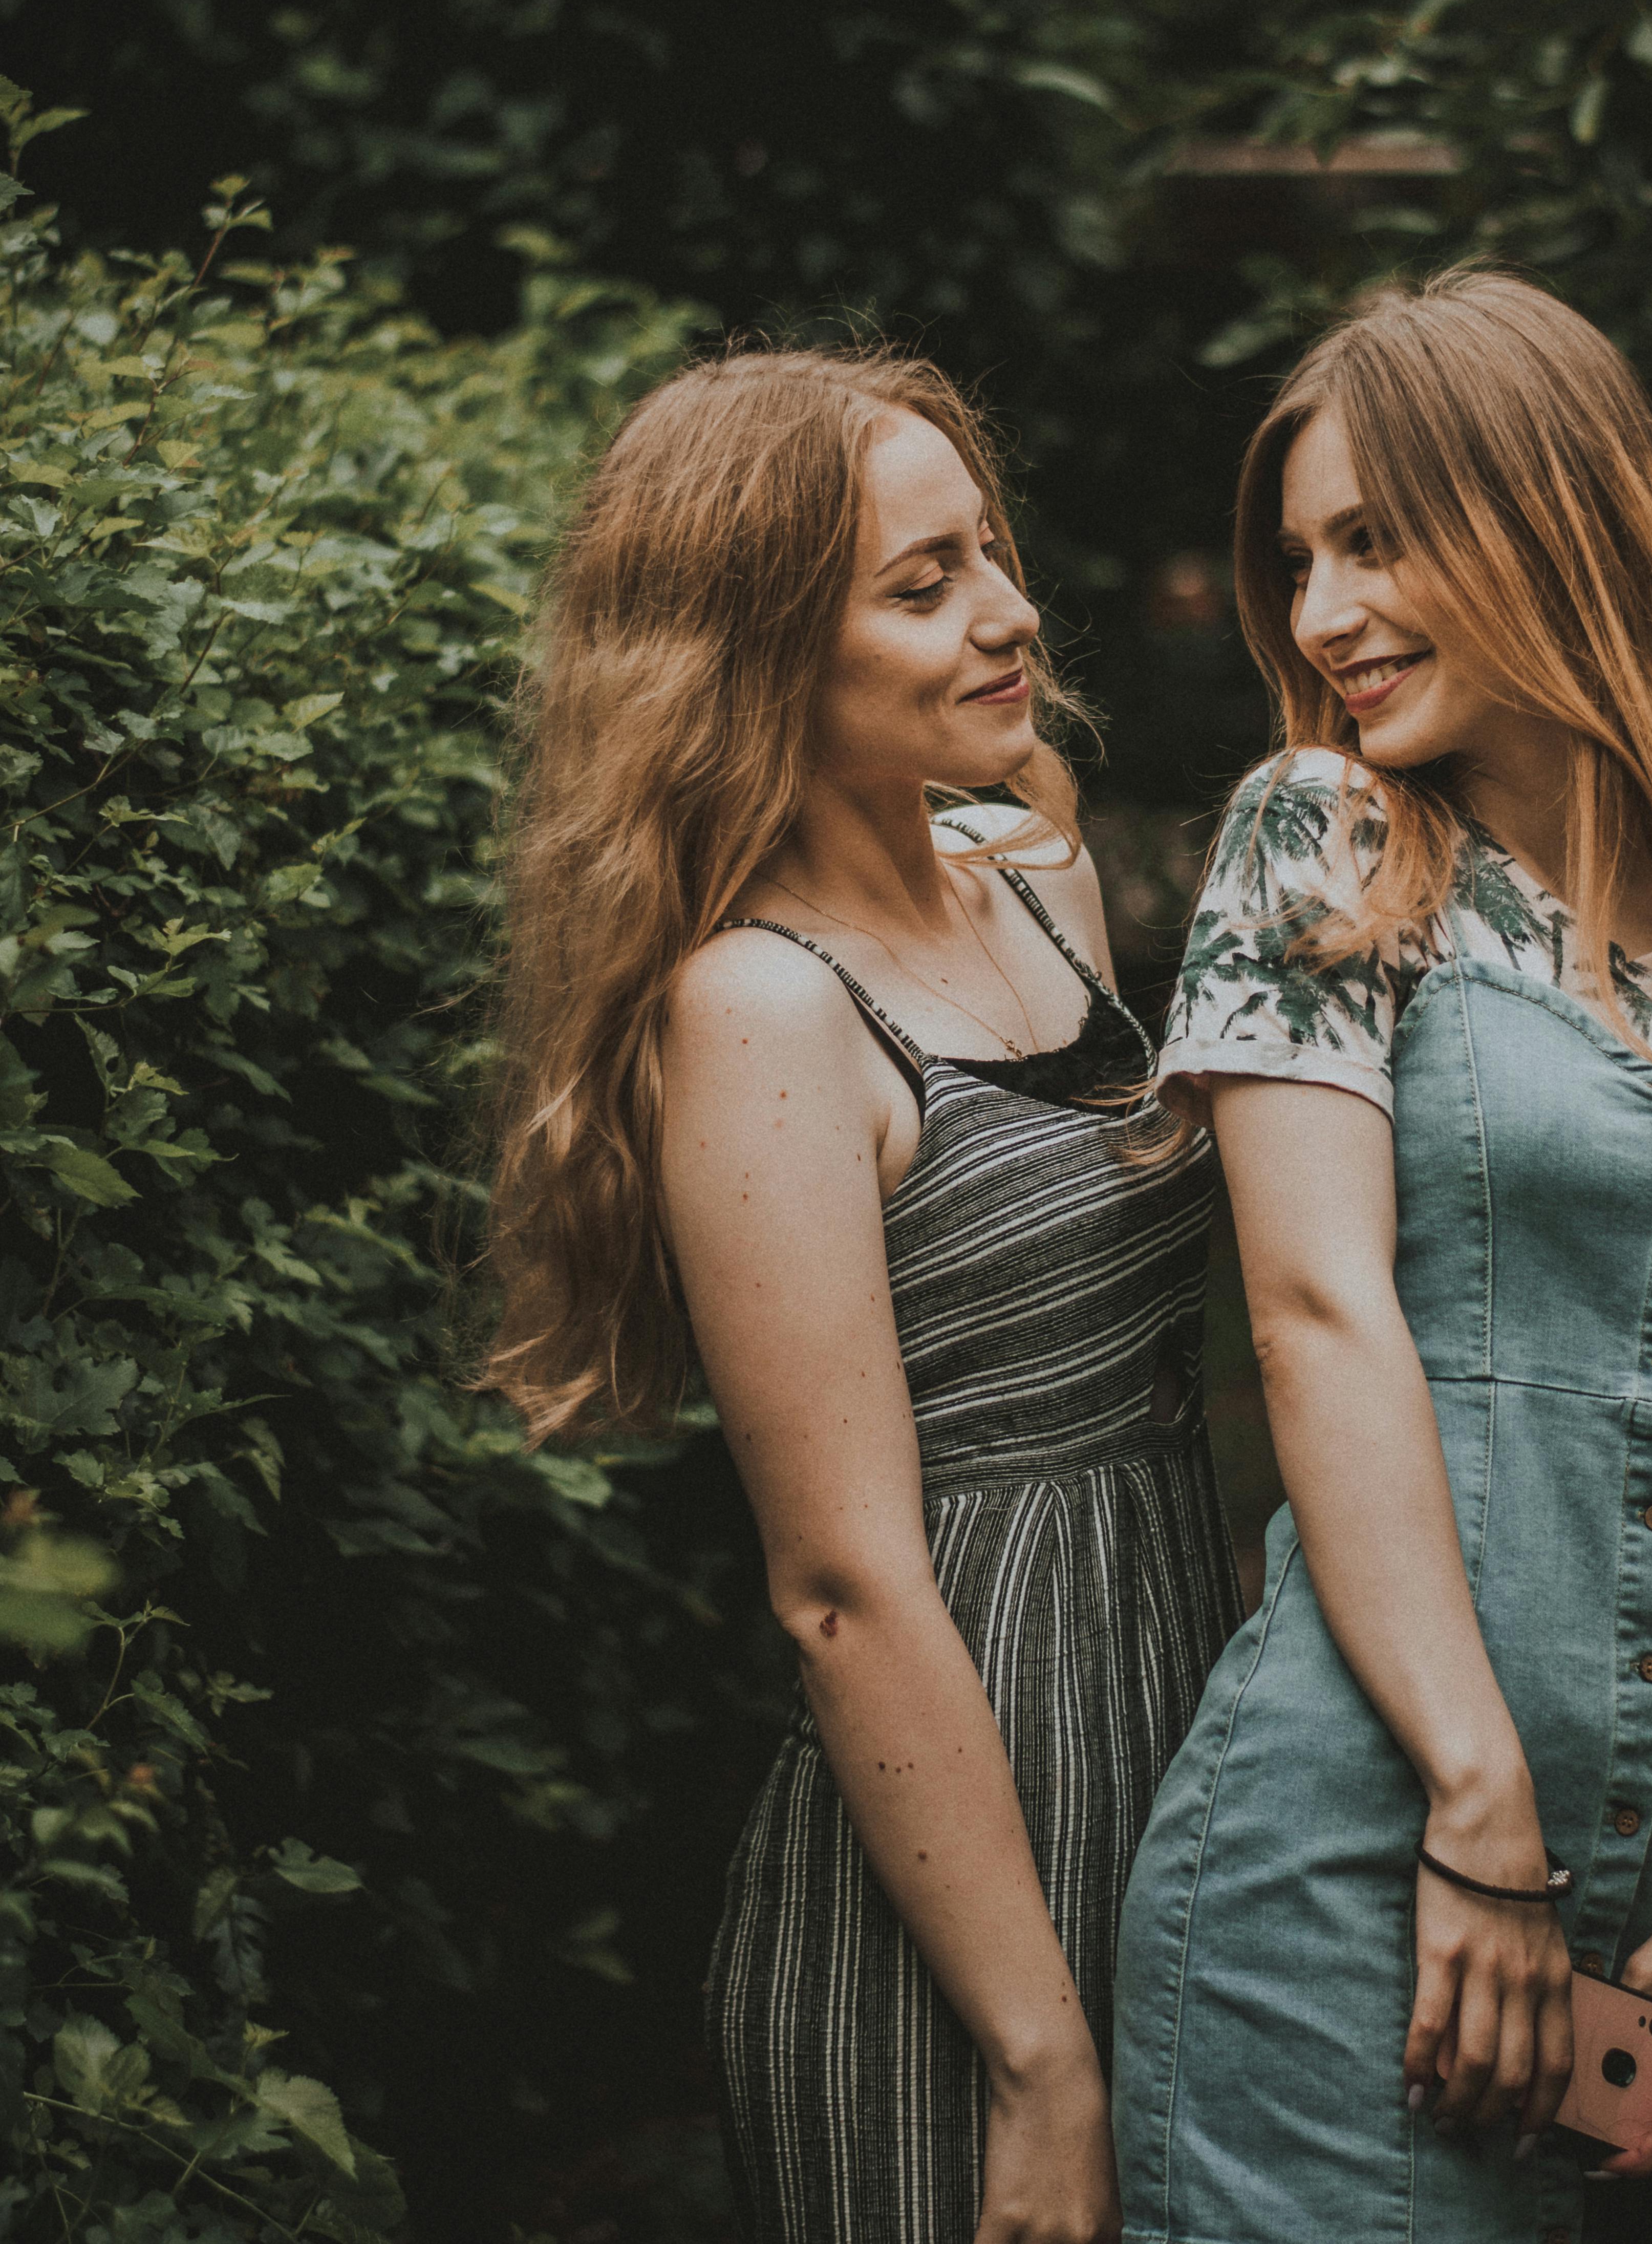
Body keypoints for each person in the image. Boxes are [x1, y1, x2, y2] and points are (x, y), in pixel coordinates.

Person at [1110, 270, 1652, 2243]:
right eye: (1304, 559)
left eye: (1378, 540)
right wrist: (1483, 1813)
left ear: (1556, 519)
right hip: (1353, 1867)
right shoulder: (1322, 841)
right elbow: (1314, 1317)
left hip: (1651, 1911)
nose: (1323, 615)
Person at [481, 346, 1241, 2244]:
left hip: (1177, 1746)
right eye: (923, 586)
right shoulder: (759, 1012)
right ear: (750, 660)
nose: (1010, 616)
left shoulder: (1038, 868)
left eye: (988, 551)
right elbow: (838, 1589)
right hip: (953, 1899)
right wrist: (1039, 2063)